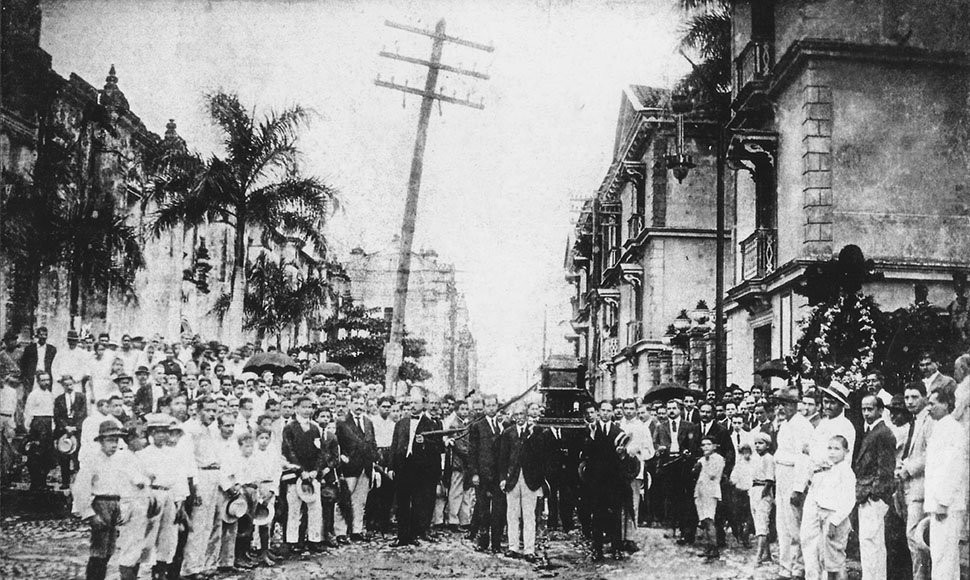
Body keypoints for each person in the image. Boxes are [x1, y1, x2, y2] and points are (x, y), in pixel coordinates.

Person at [72, 420, 151, 580]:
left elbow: (128, 481)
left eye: (116, 440)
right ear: (101, 441)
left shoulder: (119, 459)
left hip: (115, 504)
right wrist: (90, 514)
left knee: (109, 550)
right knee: (98, 550)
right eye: (109, 440)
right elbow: (81, 488)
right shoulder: (92, 460)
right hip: (101, 504)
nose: (113, 445)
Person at [923, 389, 967, 580]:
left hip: (946, 505)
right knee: (943, 556)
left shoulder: (953, 429)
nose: (928, 408)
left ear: (946, 405)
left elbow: (954, 468)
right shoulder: (940, 427)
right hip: (939, 503)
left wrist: (943, 501)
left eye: (932, 404)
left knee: (943, 557)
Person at [138, 414, 190, 580]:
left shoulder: (174, 454)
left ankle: (160, 571)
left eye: (165, 431)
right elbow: (140, 479)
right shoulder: (143, 454)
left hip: (169, 495)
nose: (162, 435)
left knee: (168, 535)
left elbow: (180, 478)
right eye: (158, 431)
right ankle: (145, 571)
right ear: (151, 433)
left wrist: (180, 502)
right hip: (152, 496)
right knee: (149, 535)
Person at [851, 394, 896, 580]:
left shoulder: (883, 433)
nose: (866, 413)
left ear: (880, 410)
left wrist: (874, 494)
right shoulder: (870, 431)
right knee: (868, 542)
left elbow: (885, 468)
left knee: (872, 542)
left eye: (870, 409)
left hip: (872, 496)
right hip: (865, 494)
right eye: (863, 409)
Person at [772, 386, 814, 580]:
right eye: (779, 404)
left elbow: (804, 459)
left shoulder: (802, 425)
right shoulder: (785, 425)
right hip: (781, 475)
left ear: (796, 405)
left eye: (786, 404)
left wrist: (798, 488)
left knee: (794, 524)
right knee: (782, 524)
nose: (781, 408)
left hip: (793, 475)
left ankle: (798, 567)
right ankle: (785, 567)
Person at [497, 402, 548, 562]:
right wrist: (503, 478)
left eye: (522, 414)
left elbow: (541, 457)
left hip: (530, 480)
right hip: (512, 479)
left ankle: (529, 549)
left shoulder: (536, 432)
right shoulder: (508, 433)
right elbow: (502, 459)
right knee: (512, 514)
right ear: (513, 417)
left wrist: (539, 481)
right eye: (516, 415)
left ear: (527, 415)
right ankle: (513, 547)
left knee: (529, 515)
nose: (519, 418)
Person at [389, 394, 442, 547]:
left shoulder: (431, 424)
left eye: (416, 403)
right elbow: (394, 446)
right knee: (402, 502)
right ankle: (402, 536)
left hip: (420, 469)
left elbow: (438, 447)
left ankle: (413, 535)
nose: (412, 405)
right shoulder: (401, 423)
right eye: (411, 402)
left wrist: (425, 442)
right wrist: (391, 467)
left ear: (423, 405)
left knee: (418, 503)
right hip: (402, 467)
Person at [800, 435, 856, 580]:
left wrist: (835, 521)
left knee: (835, 561)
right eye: (829, 448)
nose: (832, 452)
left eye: (837, 449)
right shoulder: (830, 469)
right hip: (823, 515)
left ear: (846, 451)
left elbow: (849, 500)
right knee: (826, 559)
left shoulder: (846, 472)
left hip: (836, 519)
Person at [180, 397, 224, 580]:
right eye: (207, 410)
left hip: (213, 475)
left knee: (208, 524)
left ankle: (201, 564)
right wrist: (195, 486)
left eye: (214, 410)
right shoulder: (189, 429)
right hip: (200, 475)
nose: (212, 414)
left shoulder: (211, 429)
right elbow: (189, 460)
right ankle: (189, 568)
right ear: (198, 411)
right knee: (197, 524)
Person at [896, 382, 934, 580]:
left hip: (921, 487)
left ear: (925, 397)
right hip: (907, 487)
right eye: (907, 397)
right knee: (912, 537)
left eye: (914, 397)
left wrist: (909, 469)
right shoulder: (914, 421)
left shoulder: (930, 421)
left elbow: (931, 453)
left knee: (916, 537)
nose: (909, 401)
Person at [582, 400, 626, 561]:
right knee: (597, 515)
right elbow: (585, 452)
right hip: (596, 480)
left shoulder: (619, 431)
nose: (605, 413)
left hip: (614, 480)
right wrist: (591, 438)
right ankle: (597, 549)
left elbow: (623, 458)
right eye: (603, 410)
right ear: (598, 412)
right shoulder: (591, 430)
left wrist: (622, 452)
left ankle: (616, 548)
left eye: (609, 410)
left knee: (615, 514)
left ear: (613, 412)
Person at [653, 398, 701, 545]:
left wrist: (688, 452)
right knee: (669, 496)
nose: (671, 411)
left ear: (679, 410)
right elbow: (654, 443)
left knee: (684, 498)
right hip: (667, 464)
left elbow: (693, 445)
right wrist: (659, 449)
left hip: (683, 464)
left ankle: (685, 530)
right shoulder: (661, 426)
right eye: (669, 408)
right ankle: (671, 526)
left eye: (674, 408)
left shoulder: (689, 426)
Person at [281, 396, 324, 552]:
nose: (307, 410)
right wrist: (300, 470)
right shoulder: (290, 428)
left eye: (310, 407)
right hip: (296, 474)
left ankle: (314, 539)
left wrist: (315, 470)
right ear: (296, 408)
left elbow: (320, 452)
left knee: (315, 508)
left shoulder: (315, 428)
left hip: (312, 475)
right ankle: (292, 541)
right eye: (304, 407)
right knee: (294, 509)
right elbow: (289, 450)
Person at [335, 392, 377, 541]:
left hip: (366, 467)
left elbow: (372, 443)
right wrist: (342, 458)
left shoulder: (368, 422)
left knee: (360, 501)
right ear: (350, 404)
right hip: (349, 467)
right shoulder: (342, 422)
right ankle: (340, 532)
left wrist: (373, 460)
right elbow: (337, 444)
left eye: (361, 403)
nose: (359, 406)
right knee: (344, 499)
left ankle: (356, 530)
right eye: (356, 403)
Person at [467, 394, 505, 553]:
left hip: (498, 475)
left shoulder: (503, 425)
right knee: (483, 510)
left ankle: (496, 544)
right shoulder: (477, 426)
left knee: (498, 510)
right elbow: (472, 452)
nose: (491, 408)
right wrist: (474, 473)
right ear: (483, 408)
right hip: (482, 474)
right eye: (488, 406)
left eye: (493, 405)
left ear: (497, 406)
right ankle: (482, 542)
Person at [693, 436, 725, 560]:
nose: (705, 447)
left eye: (708, 444)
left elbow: (712, 474)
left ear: (714, 446)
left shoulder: (718, 459)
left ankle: (714, 549)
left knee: (709, 519)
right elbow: (695, 472)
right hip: (700, 490)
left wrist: (704, 461)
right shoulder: (702, 459)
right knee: (704, 521)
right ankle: (708, 547)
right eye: (703, 445)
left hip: (711, 491)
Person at [53, 374, 87, 488]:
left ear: (74, 384)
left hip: (77, 429)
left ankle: (80, 482)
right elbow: (57, 416)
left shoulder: (81, 397)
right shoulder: (59, 399)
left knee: (79, 456)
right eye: (66, 385)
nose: (69, 387)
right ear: (63, 386)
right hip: (64, 430)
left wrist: (75, 427)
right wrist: (65, 427)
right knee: (64, 456)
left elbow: (83, 413)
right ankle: (65, 482)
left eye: (71, 384)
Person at [24, 370, 56, 489]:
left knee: (47, 455)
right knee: (36, 454)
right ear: (38, 381)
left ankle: (43, 482)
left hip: (48, 425)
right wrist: (29, 428)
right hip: (37, 425)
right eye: (43, 380)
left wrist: (52, 426)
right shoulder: (33, 395)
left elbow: (52, 413)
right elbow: (28, 412)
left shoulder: (50, 395)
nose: (46, 382)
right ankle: (35, 482)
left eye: (48, 380)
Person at [749, 432, 774, 565]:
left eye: (761, 443)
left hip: (763, 490)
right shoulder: (755, 458)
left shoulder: (768, 458)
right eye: (756, 443)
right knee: (759, 522)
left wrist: (763, 494)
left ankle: (758, 556)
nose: (758, 446)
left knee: (762, 524)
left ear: (767, 445)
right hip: (754, 489)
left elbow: (770, 480)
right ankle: (767, 554)